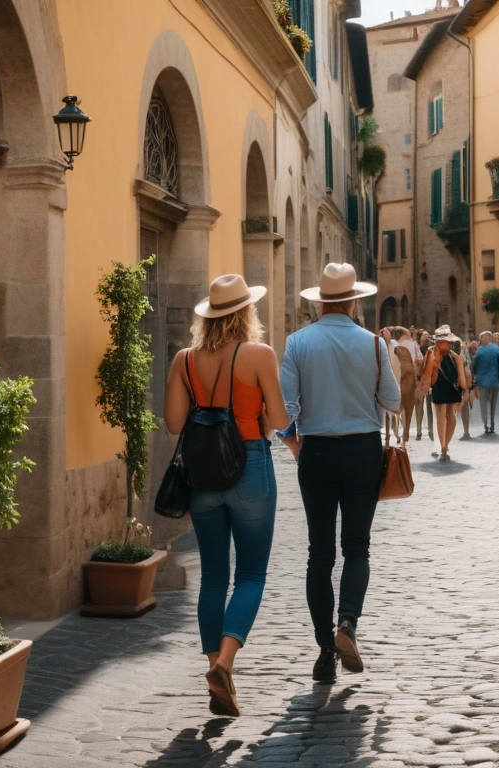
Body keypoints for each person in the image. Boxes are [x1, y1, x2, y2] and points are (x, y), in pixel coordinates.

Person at [163, 274, 288, 718]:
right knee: (251, 575)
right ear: (246, 312)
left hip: (203, 477)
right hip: (250, 465)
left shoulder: (184, 360)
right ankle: (225, 664)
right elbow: (279, 419)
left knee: (214, 576)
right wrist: (256, 416)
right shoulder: (259, 354)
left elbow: (174, 424)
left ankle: (215, 671)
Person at [279, 263, 400, 682]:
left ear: (319, 303)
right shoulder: (373, 343)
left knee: (319, 553)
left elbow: (285, 409)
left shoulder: (298, 342)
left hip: (317, 452)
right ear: (353, 302)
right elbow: (393, 401)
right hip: (363, 450)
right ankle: (347, 623)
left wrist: (294, 444)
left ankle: (325, 652)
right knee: (357, 547)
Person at [419, 325, 466, 460]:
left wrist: (463, 388)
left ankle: (444, 445)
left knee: (446, 415)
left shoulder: (452, 355)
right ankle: (443, 446)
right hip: (442, 386)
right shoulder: (436, 353)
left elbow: (461, 373)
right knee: (445, 415)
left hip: (447, 386)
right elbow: (426, 371)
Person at [392, 327, 421, 443]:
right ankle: (406, 431)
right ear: (403, 334)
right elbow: (420, 359)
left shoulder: (393, 345)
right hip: (409, 377)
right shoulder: (412, 344)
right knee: (409, 406)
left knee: (396, 406)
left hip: (395, 377)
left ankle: (395, 430)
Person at [472, 330, 499, 433]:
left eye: (485, 337)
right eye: (483, 337)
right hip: (493, 381)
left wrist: (475, 378)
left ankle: (486, 424)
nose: (484, 339)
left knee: (483, 403)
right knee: (493, 403)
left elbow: (474, 366)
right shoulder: (498, 350)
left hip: (483, 381)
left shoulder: (479, 351)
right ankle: (491, 423)